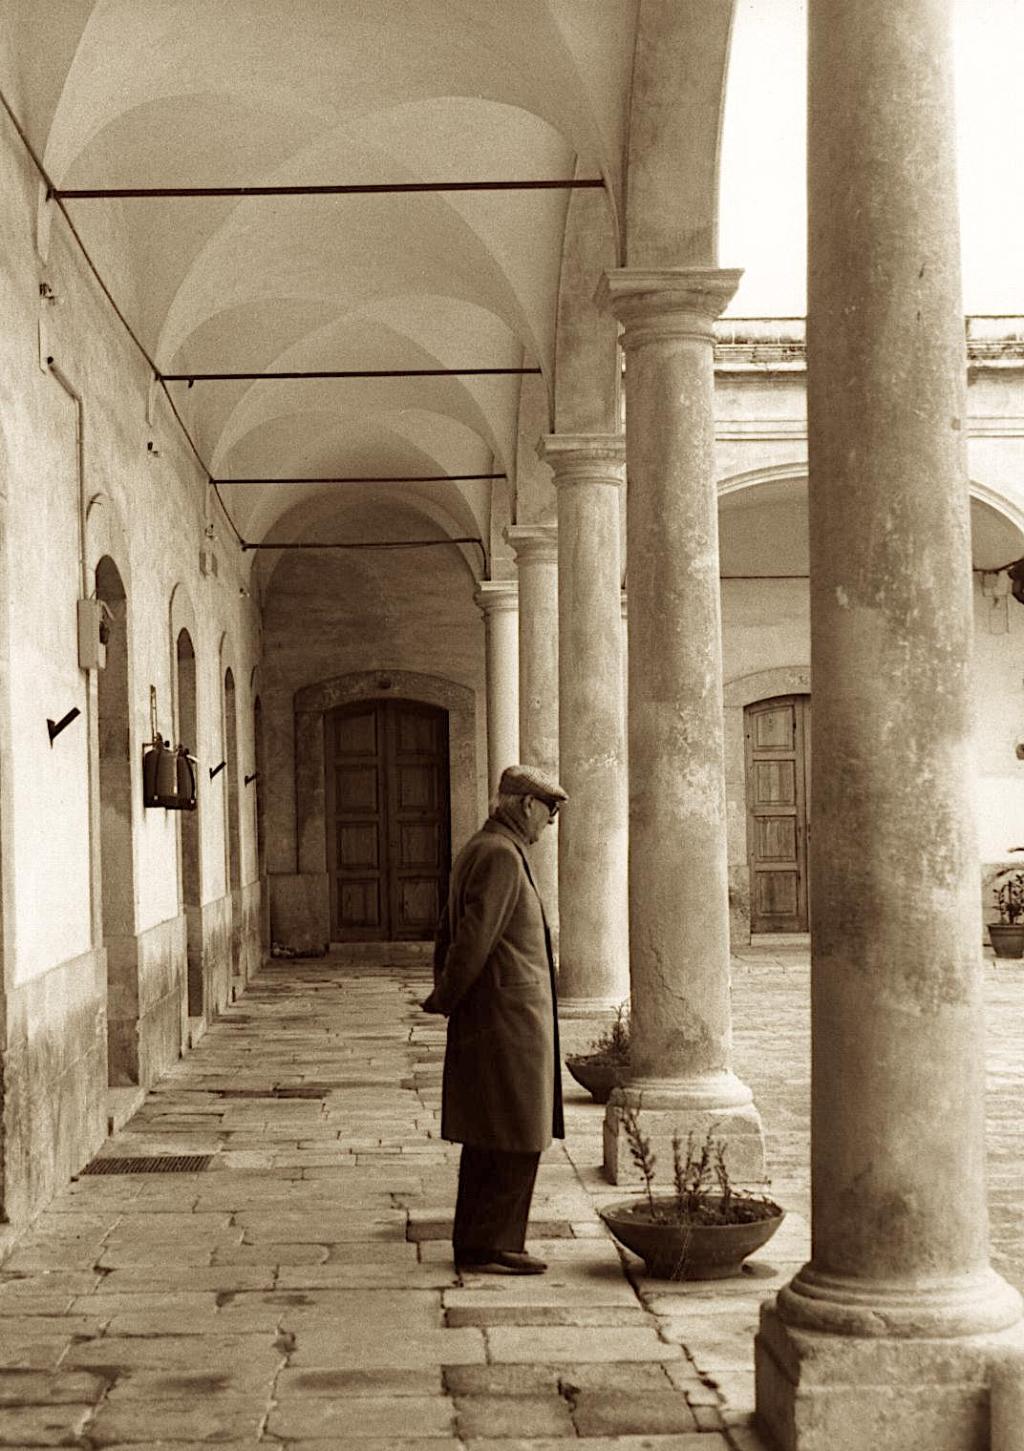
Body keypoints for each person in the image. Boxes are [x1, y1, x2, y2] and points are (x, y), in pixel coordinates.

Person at [422, 763, 567, 1275]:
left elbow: (451, 931)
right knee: (516, 1133)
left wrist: (447, 992)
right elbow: (472, 939)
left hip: (499, 1013)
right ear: (526, 805)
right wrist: (447, 995)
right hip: (508, 1019)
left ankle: (476, 1241)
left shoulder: (484, 847)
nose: (550, 824)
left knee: (491, 1133)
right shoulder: (501, 855)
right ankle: (496, 1243)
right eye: (548, 812)